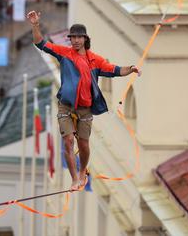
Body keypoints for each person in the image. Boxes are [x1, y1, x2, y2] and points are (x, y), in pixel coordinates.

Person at [27, 11, 141, 191]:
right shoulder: (64, 53)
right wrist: (35, 25)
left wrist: (132, 68)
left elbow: (115, 70)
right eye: (73, 38)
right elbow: (40, 43)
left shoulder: (95, 60)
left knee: (84, 145)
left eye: (79, 37)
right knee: (68, 141)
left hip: (85, 108)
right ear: (70, 40)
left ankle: (82, 172)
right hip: (66, 105)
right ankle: (74, 179)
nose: (76, 41)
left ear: (85, 39)